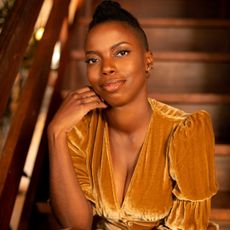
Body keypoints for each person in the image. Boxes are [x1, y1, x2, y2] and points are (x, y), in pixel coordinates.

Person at [47, 1, 218, 229]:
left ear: (148, 61)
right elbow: (76, 224)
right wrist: (56, 133)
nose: (106, 67)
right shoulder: (81, 129)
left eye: (121, 52)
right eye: (93, 59)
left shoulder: (185, 131)